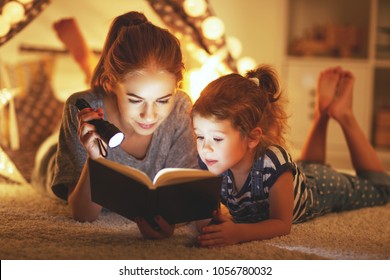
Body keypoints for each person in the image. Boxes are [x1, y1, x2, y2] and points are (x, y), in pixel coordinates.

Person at [32, 11, 198, 239]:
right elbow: (83, 215)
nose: (149, 115)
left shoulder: (180, 108)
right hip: (50, 156)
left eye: (162, 100)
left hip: (108, 96)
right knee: (86, 104)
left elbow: (182, 196)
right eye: (135, 99)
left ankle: (93, 70)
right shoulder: (81, 108)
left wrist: (171, 220)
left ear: (177, 87)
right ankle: (86, 62)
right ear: (110, 84)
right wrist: (95, 158)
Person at [191, 65, 390, 247]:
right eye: (200, 136)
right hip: (295, 177)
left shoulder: (273, 162)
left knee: (382, 190)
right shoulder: (210, 162)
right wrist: (212, 226)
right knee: (307, 167)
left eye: (217, 139)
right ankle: (322, 113)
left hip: (320, 188)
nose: (205, 148)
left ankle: (343, 114)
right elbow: (203, 217)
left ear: (251, 137)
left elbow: (281, 224)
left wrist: (239, 232)